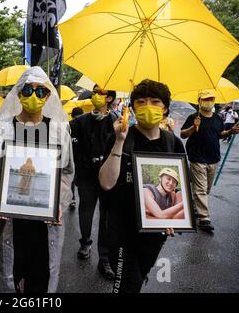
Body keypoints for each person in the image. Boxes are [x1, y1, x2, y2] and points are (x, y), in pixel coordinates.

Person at [0, 66, 74, 293]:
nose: (34, 96)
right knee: (13, 276)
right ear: (18, 93)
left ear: (49, 95)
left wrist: (57, 203)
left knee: (41, 278)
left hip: (46, 222)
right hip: (12, 217)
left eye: (41, 91)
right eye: (28, 90)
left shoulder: (59, 131)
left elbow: (67, 172)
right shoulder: (2, 130)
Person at [99, 79, 184, 293]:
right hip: (122, 233)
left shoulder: (172, 143)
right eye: (141, 101)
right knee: (128, 284)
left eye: (155, 102)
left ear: (165, 109)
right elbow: (106, 183)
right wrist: (119, 141)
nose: (148, 106)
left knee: (139, 276)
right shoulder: (121, 138)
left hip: (155, 234)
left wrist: (177, 219)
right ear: (133, 107)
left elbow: (180, 190)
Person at [70, 89, 116, 280]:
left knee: (106, 218)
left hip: (109, 180)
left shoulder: (117, 122)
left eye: (101, 92)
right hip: (86, 177)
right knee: (86, 212)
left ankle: (104, 258)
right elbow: (69, 145)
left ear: (110, 98)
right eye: (95, 91)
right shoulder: (80, 122)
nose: (96, 95)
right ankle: (85, 242)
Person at [180, 90, 239, 233]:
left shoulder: (217, 118)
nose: (209, 101)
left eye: (212, 98)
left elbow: (219, 134)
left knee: (205, 189)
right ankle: (204, 218)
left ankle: (196, 208)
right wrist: (193, 127)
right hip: (197, 158)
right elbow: (183, 134)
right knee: (200, 189)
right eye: (206, 99)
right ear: (200, 101)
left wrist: (230, 132)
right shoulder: (193, 117)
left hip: (213, 158)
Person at [69, 107, 84, 210]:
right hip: (81, 158)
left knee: (72, 180)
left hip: (71, 157)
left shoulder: (68, 124)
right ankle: (80, 200)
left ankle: (72, 198)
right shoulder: (85, 123)